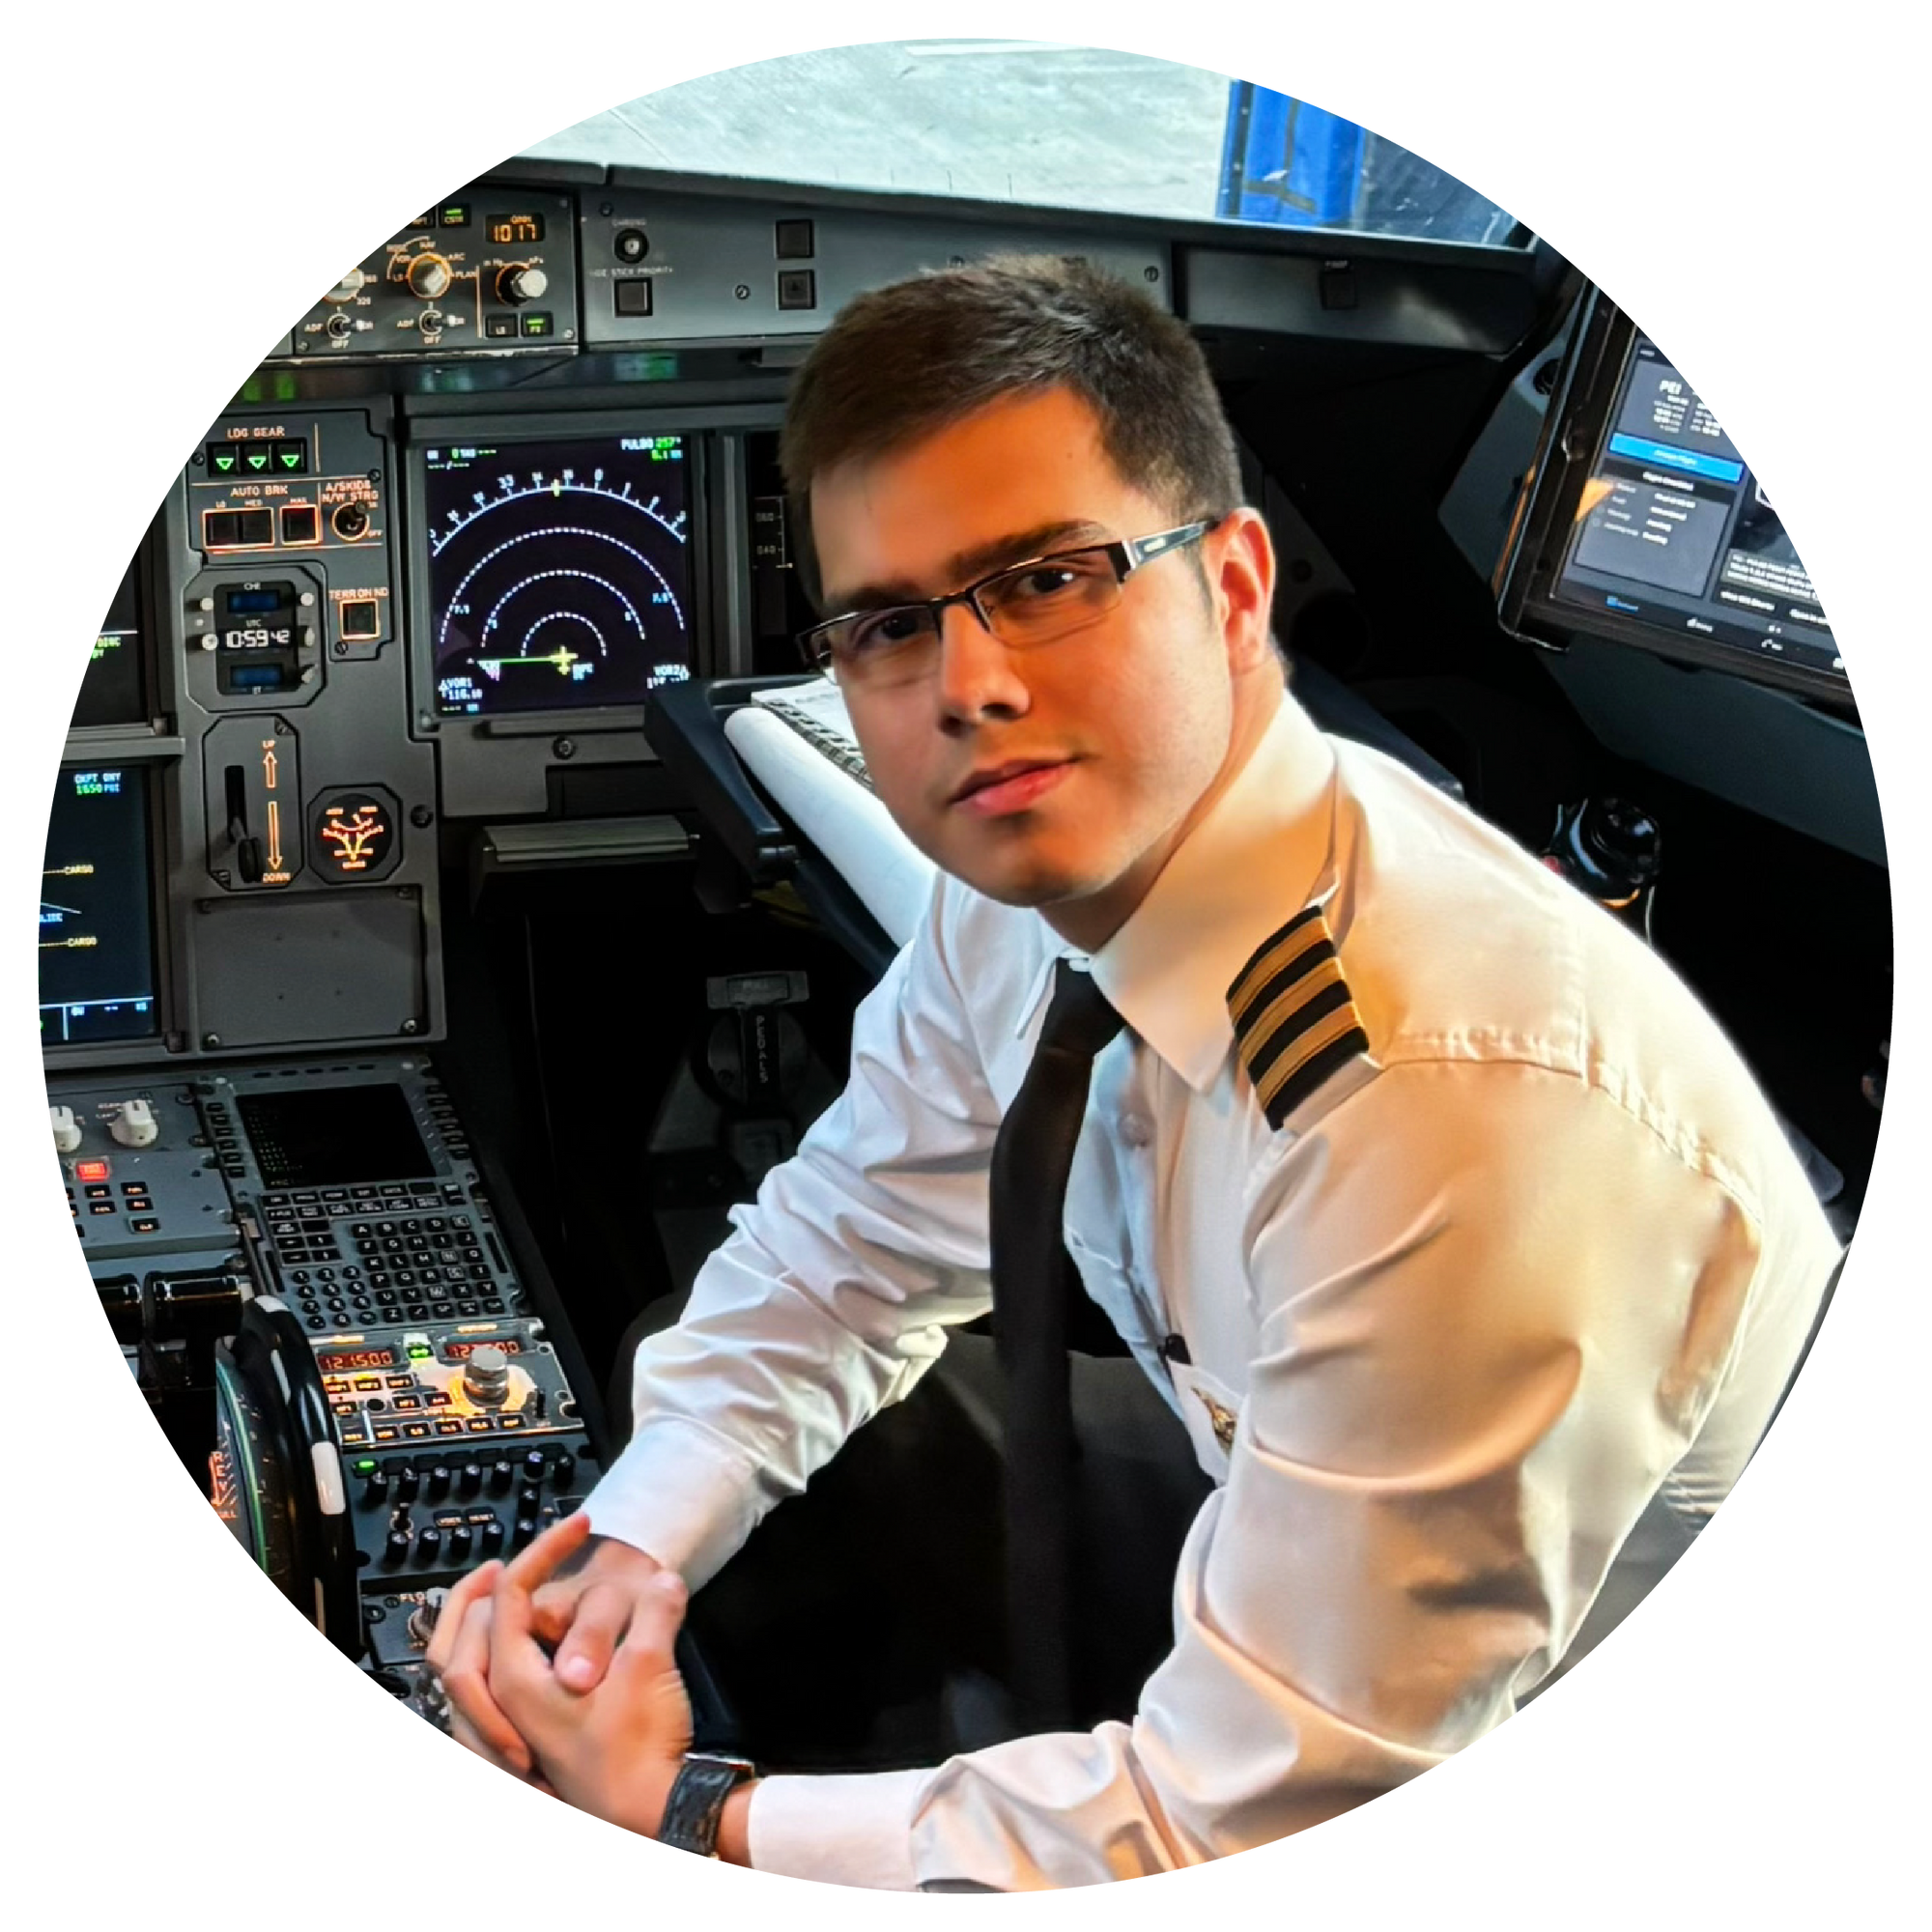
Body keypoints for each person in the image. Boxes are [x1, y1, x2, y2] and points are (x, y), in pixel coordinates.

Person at [426, 255, 1843, 1890]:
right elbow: (846, 1247)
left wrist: (688, 1818)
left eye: (1047, 579)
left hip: (1474, 1698)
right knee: (714, 1394)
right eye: (892, 624)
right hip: (1267, 1462)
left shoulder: (1464, 1110)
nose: (972, 688)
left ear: (1233, 589)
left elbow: (1239, 1811)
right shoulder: (1042, 870)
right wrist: (628, 1553)